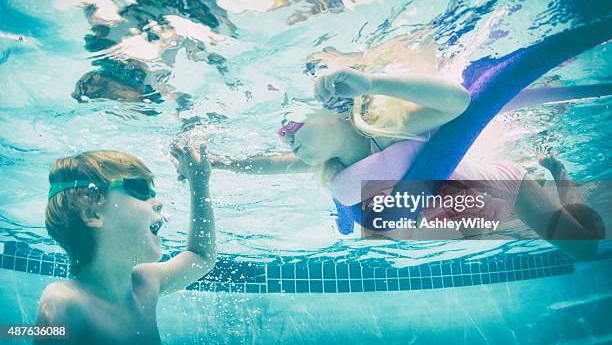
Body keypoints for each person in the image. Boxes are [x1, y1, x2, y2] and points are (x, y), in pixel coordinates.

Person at [210, 45, 603, 259]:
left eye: (291, 124)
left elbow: (458, 103)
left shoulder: (384, 130)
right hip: (460, 215)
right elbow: (267, 166)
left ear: (337, 111)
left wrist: (369, 82)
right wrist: (213, 162)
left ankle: (563, 180)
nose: (284, 136)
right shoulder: (332, 166)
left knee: (581, 247)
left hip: (497, 187)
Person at [35, 143, 215, 344]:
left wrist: (199, 183)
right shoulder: (65, 301)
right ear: (92, 212)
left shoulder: (145, 283)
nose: (158, 202)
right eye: (140, 189)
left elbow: (201, 257)